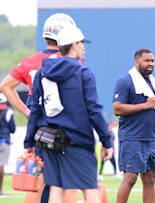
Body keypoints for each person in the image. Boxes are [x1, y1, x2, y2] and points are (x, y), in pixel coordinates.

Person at [23, 26, 112, 203]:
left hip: (50, 142)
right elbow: (93, 110)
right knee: (90, 188)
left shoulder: (42, 73)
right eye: (81, 43)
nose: (83, 47)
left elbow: (35, 111)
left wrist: (28, 142)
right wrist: (106, 140)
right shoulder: (83, 73)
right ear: (73, 45)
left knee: (57, 189)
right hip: (78, 141)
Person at [0, 13, 78, 203]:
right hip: (66, 127)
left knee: (39, 179)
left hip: (40, 128)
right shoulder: (72, 60)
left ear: (45, 37)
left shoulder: (28, 62)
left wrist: (27, 112)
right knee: (68, 182)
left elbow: (5, 86)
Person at [113, 48, 155, 203]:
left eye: (152, 61)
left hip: (151, 138)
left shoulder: (153, 83)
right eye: (147, 60)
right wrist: (145, 105)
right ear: (137, 61)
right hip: (132, 138)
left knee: (150, 179)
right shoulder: (125, 81)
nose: (150, 64)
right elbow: (117, 109)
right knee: (130, 178)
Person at [0, 93, 15, 196]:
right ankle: (0, 190)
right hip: (4, 141)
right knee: (1, 164)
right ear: (6, 100)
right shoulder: (9, 112)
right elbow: (12, 129)